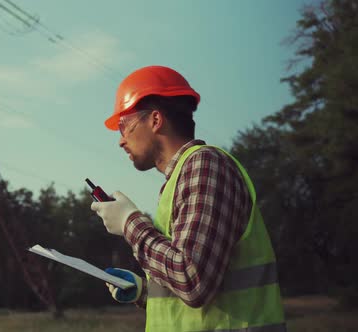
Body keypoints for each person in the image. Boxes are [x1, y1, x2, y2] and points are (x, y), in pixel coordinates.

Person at [90, 65, 286, 331]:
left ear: (156, 120)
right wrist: (143, 291)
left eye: (124, 127)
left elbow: (193, 281)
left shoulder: (205, 165)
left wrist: (129, 223)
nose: (120, 141)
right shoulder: (182, 178)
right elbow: (198, 295)